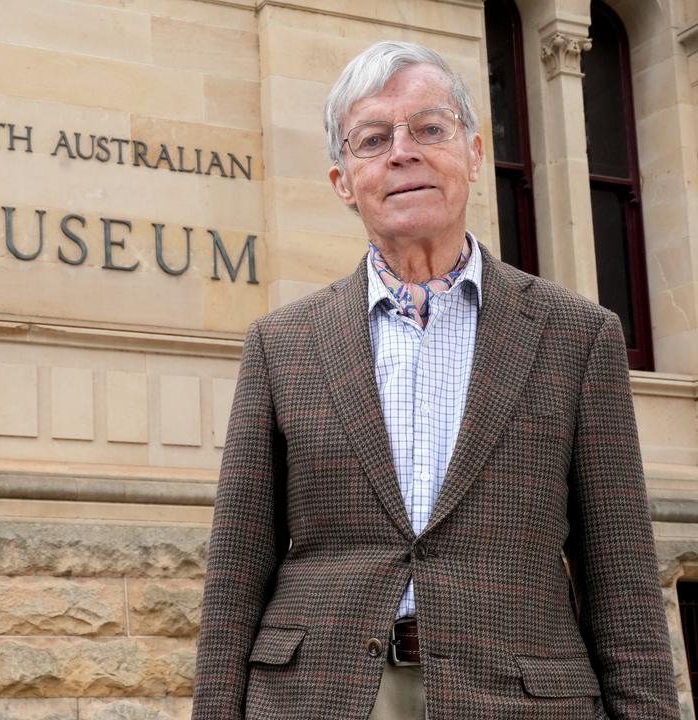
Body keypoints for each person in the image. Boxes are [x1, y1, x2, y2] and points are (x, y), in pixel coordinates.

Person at [192, 41, 679, 719]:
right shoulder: (283, 343)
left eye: (429, 128)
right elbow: (237, 569)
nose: (403, 151)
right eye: (373, 138)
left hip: (519, 699)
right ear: (342, 181)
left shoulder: (577, 335)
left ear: (474, 153)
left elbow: (620, 575)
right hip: (320, 696)